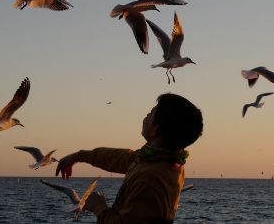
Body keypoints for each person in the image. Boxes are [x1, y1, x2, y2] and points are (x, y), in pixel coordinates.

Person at [55, 93, 203, 223]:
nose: (146, 116)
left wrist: (99, 207)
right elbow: (122, 158)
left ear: (156, 129)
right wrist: (80, 156)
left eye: (151, 113)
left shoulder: (151, 178)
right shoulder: (162, 160)